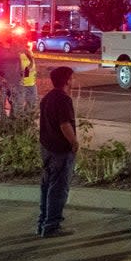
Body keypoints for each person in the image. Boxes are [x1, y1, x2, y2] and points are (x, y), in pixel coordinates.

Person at [38, 66, 79, 237]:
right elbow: (64, 124)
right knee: (59, 188)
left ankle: (43, 223)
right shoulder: (63, 99)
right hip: (60, 150)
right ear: (67, 80)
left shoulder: (47, 98)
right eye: (71, 78)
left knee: (47, 186)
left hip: (47, 148)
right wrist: (74, 142)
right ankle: (52, 226)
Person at [0, 32, 28, 118]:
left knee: (16, 106)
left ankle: (13, 126)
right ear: (1, 36)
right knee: (0, 107)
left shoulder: (15, 48)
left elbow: (20, 60)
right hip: (1, 84)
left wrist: (21, 74)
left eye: (10, 34)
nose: (9, 36)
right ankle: (2, 127)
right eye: (7, 34)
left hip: (15, 82)